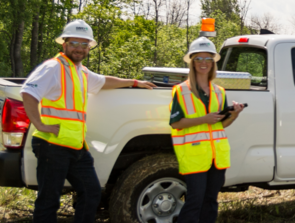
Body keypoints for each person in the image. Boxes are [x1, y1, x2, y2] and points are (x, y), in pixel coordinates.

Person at [21, 19, 156, 222]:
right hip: (52, 145)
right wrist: (39, 124)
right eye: (75, 43)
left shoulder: (80, 72)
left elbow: (103, 81)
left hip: (76, 147)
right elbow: (28, 92)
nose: (79, 49)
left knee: (91, 192)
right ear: (64, 44)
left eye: (85, 45)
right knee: (49, 201)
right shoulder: (53, 68)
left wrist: (134, 82)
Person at [169, 37, 245, 223]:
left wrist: (234, 115)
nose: (204, 63)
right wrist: (204, 119)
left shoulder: (219, 91)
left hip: (216, 156)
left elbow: (221, 124)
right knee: (194, 202)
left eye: (208, 59)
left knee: (210, 201)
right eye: (199, 59)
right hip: (194, 156)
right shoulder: (181, 90)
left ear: (213, 63)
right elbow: (175, 124)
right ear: (192, 62)